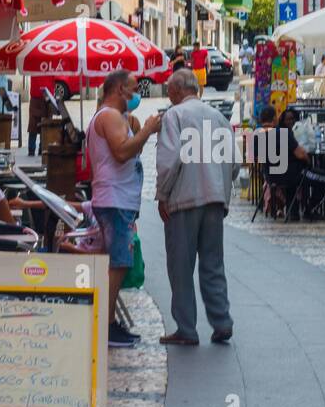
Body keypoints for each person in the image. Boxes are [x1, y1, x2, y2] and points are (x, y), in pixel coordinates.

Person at [155, 68, 237, 346]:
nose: (168, 94)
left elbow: (169, 162)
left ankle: (186, 329)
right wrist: (221, 187)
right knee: (213, 263)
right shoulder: (219, 118)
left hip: (184, 200)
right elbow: (234, 163)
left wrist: (162, 195)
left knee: (181, 266)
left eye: (169, 89)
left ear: (177, 91)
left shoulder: (174, 116)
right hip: (214, 200)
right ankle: (222, 320)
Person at [87, 68, 162, 347]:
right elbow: (121, 153)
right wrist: (146, 130)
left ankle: (109, 322)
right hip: (114, 199)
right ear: (119, 89)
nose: (136, 93)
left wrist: (137, 132)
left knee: (118, 262)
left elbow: (127, 151)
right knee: (118, 263)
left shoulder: (114, 117)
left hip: (117, 198)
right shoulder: (108, 116)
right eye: (132, 88)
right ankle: (105, 326)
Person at [279, 107, 325, 221]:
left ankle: (294, 212)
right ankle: (309, 209)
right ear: (282, 121)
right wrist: (308, 161)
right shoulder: (288, 135)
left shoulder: (276, 133)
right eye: (288, 119)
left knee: (298, 178)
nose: (291, 122)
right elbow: (302, 154)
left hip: (278, 176)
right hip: (294, 174)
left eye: (292, 119)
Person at [27, 88, 50, 157]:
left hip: (46, 98)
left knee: (44, 127)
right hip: (37, 97)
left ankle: (41, 149)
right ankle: (33, 150)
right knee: (33, 127)